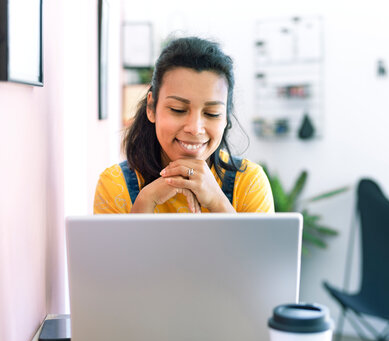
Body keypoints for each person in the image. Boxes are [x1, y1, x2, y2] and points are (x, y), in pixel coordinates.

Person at [94, 37, 274, 214]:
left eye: (212, 113)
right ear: (151, 108)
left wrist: (218, 202)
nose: (195, 128)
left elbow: (256, 245)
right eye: (178, 109)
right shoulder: (115, 185)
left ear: (226, 118)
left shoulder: (249, 183)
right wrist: (145, 201)